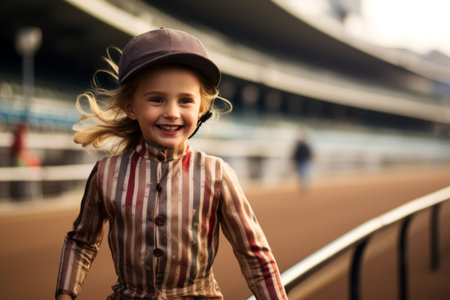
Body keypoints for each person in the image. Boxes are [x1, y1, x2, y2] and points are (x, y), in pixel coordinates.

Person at [55, 28, 287, 300]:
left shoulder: (217, 174)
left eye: (185, 100)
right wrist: (65, 293)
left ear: (201, 108)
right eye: (157, 99)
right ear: (131, 107)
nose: (172, 113)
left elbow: (254, 254)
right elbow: (81, 242)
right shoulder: (106, 174)